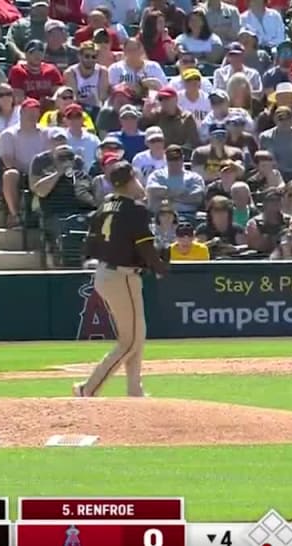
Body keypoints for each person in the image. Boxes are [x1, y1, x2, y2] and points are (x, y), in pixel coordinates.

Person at [76, 154, 169, 398]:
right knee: (129, 341)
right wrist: (159, 267)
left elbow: (90, 246)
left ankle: (134, 390)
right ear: (129, 181)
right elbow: (145, 247)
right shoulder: (134, 209)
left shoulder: (104, 206)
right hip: (122, 276)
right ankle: (88, 388)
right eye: (136, 178)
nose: (139, 182)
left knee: (136, 335)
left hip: (105, 271)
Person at [0, 98, 51, 227]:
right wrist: (30, 170)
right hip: (21, 173)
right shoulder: (8, 134)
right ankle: (15, 215)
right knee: (9, 174)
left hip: (42, 173)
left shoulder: (47, 133)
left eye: (35, 112)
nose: (33, 115)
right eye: (29, 112)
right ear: (21, 112)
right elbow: (8, 161)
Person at [145, 145, 205, 214]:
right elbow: (151, 190)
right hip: (161, 217)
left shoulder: (194, 177)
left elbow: (198, 196)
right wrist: (181, 194)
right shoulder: (157, 175)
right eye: (170, 159)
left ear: (182, 159)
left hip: (189, 215)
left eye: (176, 159)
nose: (173, 162)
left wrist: (167, 196)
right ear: (165, 159)